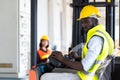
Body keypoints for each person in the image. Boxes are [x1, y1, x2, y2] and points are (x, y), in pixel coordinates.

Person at [40, 5, 114, 80]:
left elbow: (84, 67)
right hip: (93, 75)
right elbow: (94, 60)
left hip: (89, 77)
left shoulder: (96, 39)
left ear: (95, 20)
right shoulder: (102, 35)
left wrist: (62, 59)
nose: (83, 25)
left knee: (45, 77)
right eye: (82, 22)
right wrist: (77, 58)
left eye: (86, 21)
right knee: (55, 71)